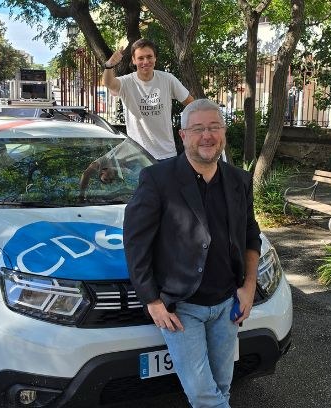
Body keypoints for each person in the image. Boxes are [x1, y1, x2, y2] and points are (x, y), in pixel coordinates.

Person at [123, 99, 261, 408]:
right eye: (198, 128)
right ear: (183, 135)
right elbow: (135, 244)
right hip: (181, 309)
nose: (207, 136)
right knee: (203, 394)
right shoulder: (158, 179)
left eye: (214, 127)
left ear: (224, 132)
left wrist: (248, 287)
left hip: (227, 305)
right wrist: (152, 301)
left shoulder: (239, 180)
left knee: (222, 387)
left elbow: (252, 235)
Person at [103, 38, 194, 160]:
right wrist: (109, 66)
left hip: (167, 154)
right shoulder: (127, 82)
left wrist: (192, 129)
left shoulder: (167, 79)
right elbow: (109, 84)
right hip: (137, 156)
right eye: (140, 58)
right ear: (134, 60)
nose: (145, 61)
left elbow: (191, 104)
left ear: (155, 58)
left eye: (149, 57)